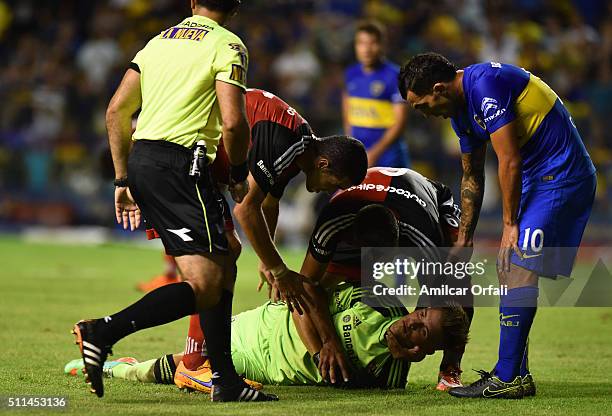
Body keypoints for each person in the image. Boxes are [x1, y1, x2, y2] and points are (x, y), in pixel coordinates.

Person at [72, 0, 280, 402]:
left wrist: (122, 179)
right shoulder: (228, 45)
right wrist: (238, 174)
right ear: (235, 7)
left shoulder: (157, 42)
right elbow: (235, 122)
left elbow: (116, 111)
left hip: (146, 161)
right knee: (205, 283)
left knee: (226, 256)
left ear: (192, 2)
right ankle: (103, 331)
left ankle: (225, 380)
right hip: (182, 165)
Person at [65, 211, 470, 391]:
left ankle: (120, 366)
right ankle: (109, 337)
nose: (412, 334)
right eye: (420, 320)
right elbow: (310, 292)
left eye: (423, 342)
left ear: (426, 355)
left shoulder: (387, 380)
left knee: (171, 371)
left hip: (262, 367)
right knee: (202, 310)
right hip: (261, 325)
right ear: (418, 308)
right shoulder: (379, 301)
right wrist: (323, 345)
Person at [139, 88, 367, 389]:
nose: (328, 191)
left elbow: (267, 203)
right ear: (323, 164)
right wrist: (279, 270)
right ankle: (192, 363)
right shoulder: (288, 146)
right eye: (334, 184)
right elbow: (246, 210)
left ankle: (189, 358)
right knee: (214, 261)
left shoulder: (299, 147)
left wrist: (265, 255)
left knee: (225, 254)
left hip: (192, 162)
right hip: (180, 160)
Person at [398, 53, 596, 398]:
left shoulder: (485, 85)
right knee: (509, 270)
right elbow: (472, 173)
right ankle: (515, 371)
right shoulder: (460, 112)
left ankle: (508, 378)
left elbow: (509, 160)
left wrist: (509, 224)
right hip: (540, 178)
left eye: (421, 105)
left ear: (438, 88)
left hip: (561, 175)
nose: (425, 114)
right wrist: (465, 236)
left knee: (517, 264)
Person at [298, 167, 473, 391]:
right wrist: (326, 343)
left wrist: (416, 345)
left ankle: (450, 369)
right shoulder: (332, 222)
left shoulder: (424, 239)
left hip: (426, 202)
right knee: (314, 286)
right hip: (366, 210)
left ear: (397, 244)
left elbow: (434, 300)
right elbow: (305, 286)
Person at [342, 20, 410, 168]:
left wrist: (375, 153)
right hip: (359, 152)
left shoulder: (395, 76)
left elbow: (400, 122)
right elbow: (348, 112)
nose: (366, 49)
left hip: (389, 155)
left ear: (382, 45)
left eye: (372, 43)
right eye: (361, 43)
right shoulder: (351, 73)